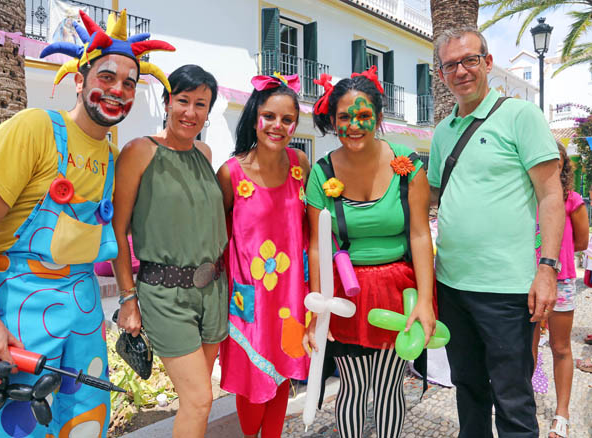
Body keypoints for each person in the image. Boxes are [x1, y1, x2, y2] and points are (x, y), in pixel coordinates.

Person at [0, 10, 174, 437]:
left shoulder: (112, 158)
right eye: (107, 77)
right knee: (24, 425)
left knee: (86, 426)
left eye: (129, 84)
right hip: (21, 316)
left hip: (85, 313)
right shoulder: (34, 128)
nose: (118, 91)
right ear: (79, 79)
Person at [428, 27, 564, 438]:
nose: (461, 71)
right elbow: (432, 197)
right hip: (451, 284)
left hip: (507, 291)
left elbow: (551, 195)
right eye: (451, 64)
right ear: (441, 73)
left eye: (470, 60)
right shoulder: (441, 132)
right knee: (467, 389)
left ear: (488, 63)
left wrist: (548, 269)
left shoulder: (521, 116)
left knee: (513, 399)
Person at [305, 67, 436, 438]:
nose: (354, 125)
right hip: (346, 296)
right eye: (345, 117)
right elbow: (317, 246)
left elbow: (420, 235)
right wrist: (316, 311)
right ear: (333, 121)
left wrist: (425, 301)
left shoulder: (407, 165)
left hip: (400, 293)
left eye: (364, 116)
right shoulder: (322, 171)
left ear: (378, 118)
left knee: (390, 385)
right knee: (353, 386)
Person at [111, 64, 226, 438]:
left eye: (201, 104)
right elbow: (117, 227)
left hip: (212, 293)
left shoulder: (205, 154)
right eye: (183, 100)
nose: (190, 112)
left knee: (197, 397)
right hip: (164, 294)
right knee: (199, 399)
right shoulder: (139, 151)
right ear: (166, 101)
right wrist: (128, 298)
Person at [216, 73, 310, 438]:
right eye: (269, 116)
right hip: (248, 298)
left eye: (287, 119)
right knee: (251, 380)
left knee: (283, 370)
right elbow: (218, 238)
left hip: (290, 295)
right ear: (255, 116)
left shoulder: (300, 165)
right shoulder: (231, 172)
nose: (277, 125)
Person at [531, 142, 588, 438]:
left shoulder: (572, 200)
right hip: (525, 281)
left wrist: (557, 261)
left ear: (562, 165)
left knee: (561, 347)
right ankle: (523, 403)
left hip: (561, 281)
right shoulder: (526, 197)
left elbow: (580, 242)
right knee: (525, 345)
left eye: (554, 160)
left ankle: (562, 414)